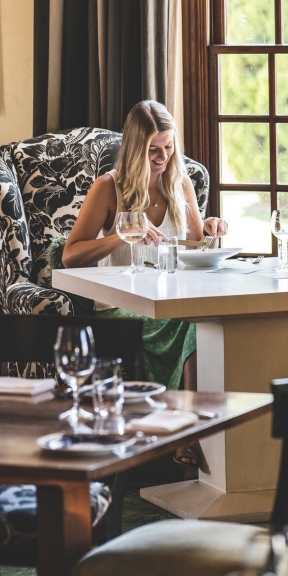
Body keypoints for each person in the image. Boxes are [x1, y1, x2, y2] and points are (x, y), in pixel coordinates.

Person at [63, 100, 228, 466]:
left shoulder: (180, 183)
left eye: (169, 148)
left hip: (171, 300)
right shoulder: (108, 188)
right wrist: (124, 235)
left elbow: (196, 248)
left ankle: (192, 431)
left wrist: (213, 228)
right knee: (192, 325)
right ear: (136, 148)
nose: (162, 157)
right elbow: (70, 255)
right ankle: (187, 433)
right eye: (153, 150)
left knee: (202, 321)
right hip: (123, 304)